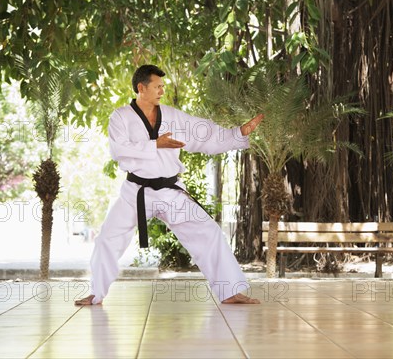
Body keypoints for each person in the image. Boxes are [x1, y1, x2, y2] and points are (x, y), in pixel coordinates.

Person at [75, 64, 263, 305]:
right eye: (157, 86)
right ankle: (96, 293)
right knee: (106, 239)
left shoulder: (173, 116)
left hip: (170, 191)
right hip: (136, 191)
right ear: (141, 88)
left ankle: (230, 292)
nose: (162, 91)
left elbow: (205, 135)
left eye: (163, 86)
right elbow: (119, 150)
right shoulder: (120, 117)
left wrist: (238, 133)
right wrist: (155, 144)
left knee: (209, 233)